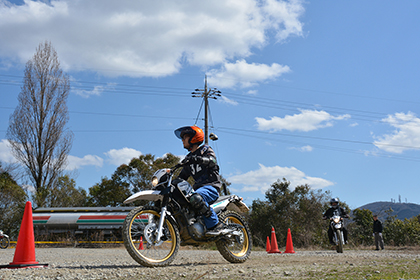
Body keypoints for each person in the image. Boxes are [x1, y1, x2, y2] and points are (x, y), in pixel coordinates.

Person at [174, 125, 225, 235]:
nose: (182, 140)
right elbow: (182, 177)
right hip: (198, 189)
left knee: (195, 198)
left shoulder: (205, 149)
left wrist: (198, 159)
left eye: (185, 137)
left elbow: (212, 161)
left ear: (194, 137)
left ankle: (216, 225)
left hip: (211, 187)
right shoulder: (188, 158)